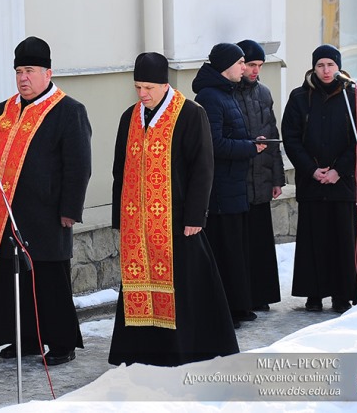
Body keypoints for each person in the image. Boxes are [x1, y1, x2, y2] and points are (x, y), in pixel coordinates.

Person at [108, 52, 239, 367]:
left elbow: (202, 168)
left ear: (165, 84)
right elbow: (119, 169)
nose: (143, 94)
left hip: (178, 220)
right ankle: (139, 350)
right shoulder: (130, 116)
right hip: (138, 223)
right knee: (139, 284)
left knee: (186, 286)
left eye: (149, 87)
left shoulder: (191, 114)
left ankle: (186, 349)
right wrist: (119, 217)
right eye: (138, 87)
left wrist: (196, 216)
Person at [0, 36, 91, 366]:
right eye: (19, 71)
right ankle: (24, 339)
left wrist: (70, 209)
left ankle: (62, 342)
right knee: (12, 279)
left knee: (48, 279)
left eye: (30, 70)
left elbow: (79, 164)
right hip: (7, 212)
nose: (23, 77)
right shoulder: (4, 110)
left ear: (47, 73)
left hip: (48, 213)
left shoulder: (69, 111)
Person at [281, 44, 357, 313]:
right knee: (313, 240)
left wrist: (339, 169)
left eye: (330, 65)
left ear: (338, 67)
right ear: (313, 67)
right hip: (312, 181)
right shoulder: (299, 97)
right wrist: (311, 169)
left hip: (342, 183)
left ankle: (343, 294)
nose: (326, 71)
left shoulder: (353, 96)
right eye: (320, 65)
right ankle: (313, 294)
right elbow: (291, 138)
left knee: (343, 239)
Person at [192, 42, 267, 327]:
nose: (244, 68)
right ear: (225, 67)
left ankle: (239, 306)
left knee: (236, 250)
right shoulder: (211, 97)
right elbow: (215, 144)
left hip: (235, 187)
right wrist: (250, 148)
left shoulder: (226, 93)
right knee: (225, 250)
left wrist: (250, 145)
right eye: (240, 63)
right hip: (222, 190)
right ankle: (226, 310)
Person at [234, 39, 284, 311]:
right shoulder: (228, 93)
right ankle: (245, 297)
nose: (255, 70)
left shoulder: (263, 93)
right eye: (251, 64)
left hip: (262, 178)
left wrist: (277, 178)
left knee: (261, 241)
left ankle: (262, 295)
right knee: (243, 243)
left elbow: (273, 135)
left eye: (260, 65)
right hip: (240, 179)